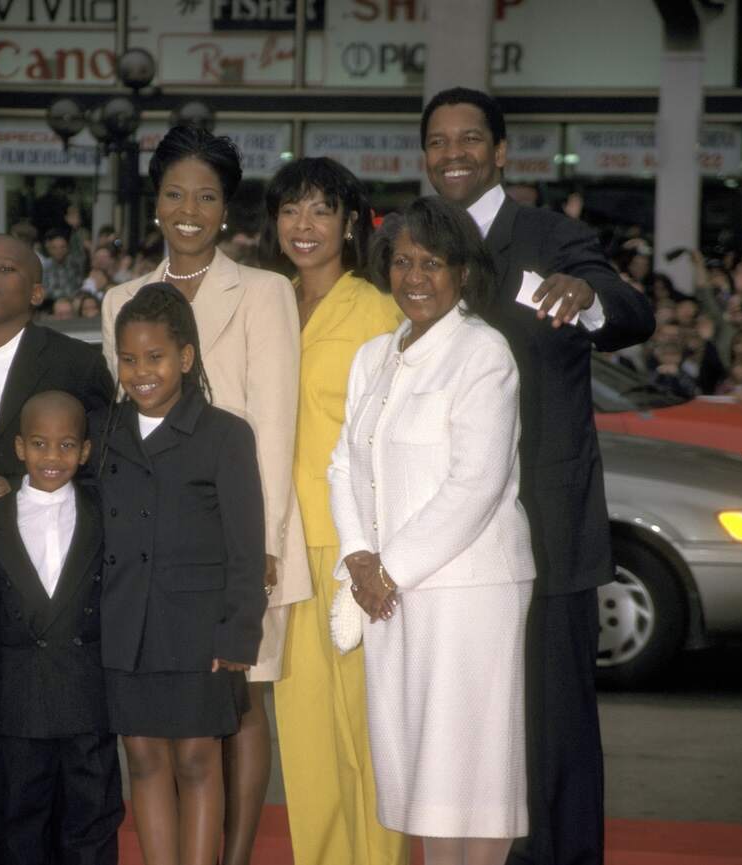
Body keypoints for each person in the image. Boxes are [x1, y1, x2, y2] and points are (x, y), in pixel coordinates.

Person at [421, 86, 656, 865]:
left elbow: (631, 309)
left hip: (545, 525)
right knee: (463, 728)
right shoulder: (409, 246)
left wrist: (588, 297)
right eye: (438, 141)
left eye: (469, 139)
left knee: (552, 725)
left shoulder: (553, 236)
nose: (453, 152)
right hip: (441, 540)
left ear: (498, 153)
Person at [101, 126, 309, 865]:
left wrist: (269, 547)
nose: (189, 208)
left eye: (207, 195)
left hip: (244, 538)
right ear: (154, 202)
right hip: (161, 552)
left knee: (242, 702)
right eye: (175, 193)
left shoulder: (264, 290)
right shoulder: (123, 296)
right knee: (165, 743)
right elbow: (125, 422)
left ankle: (234, 855)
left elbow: (276, 420)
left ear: (227, 210)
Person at [329, 197, 535, 865]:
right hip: (388, 591)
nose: (416, 276)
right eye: (403, 261)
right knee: (416, 759)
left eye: (434, 263)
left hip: (468, 591)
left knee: (468, 769)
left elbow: (474, 486)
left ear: (464, 272)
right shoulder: (374, 357)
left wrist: (389, 568)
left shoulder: (483, 354)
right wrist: (360, 557)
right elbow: (344, 464)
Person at [258, 157, 407, 865]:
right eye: (291, 209)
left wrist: (376, 550)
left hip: (353, 544)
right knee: (307, 736)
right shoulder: (270, 300)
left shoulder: (376, 308)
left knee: (364, 731)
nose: (304, 225)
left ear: (350, 220)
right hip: (281, 547)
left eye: (321, 209)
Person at [91, 282, 266, 865]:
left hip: (198, 630)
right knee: (142, 760)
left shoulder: (226, 435)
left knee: (196, 761)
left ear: (186, 358)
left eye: (156, 357)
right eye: (129, 359)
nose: (141, 372)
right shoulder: (103, 433)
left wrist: (240, 631)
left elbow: (247, 546)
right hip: (125, 628)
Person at [0, 390, 123, 865]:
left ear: (84, 450)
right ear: (20, 448)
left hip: (88, 692)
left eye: (65, 446)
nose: (52, 457)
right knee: (18, 818)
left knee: (92, 816)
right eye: (40, 444)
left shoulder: (106, 515)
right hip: (15, 698)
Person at [0, 232, 112, 503]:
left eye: (5, 269)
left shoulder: (77, 362)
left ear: (36, 293)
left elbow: (100, 461)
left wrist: (20, 488)